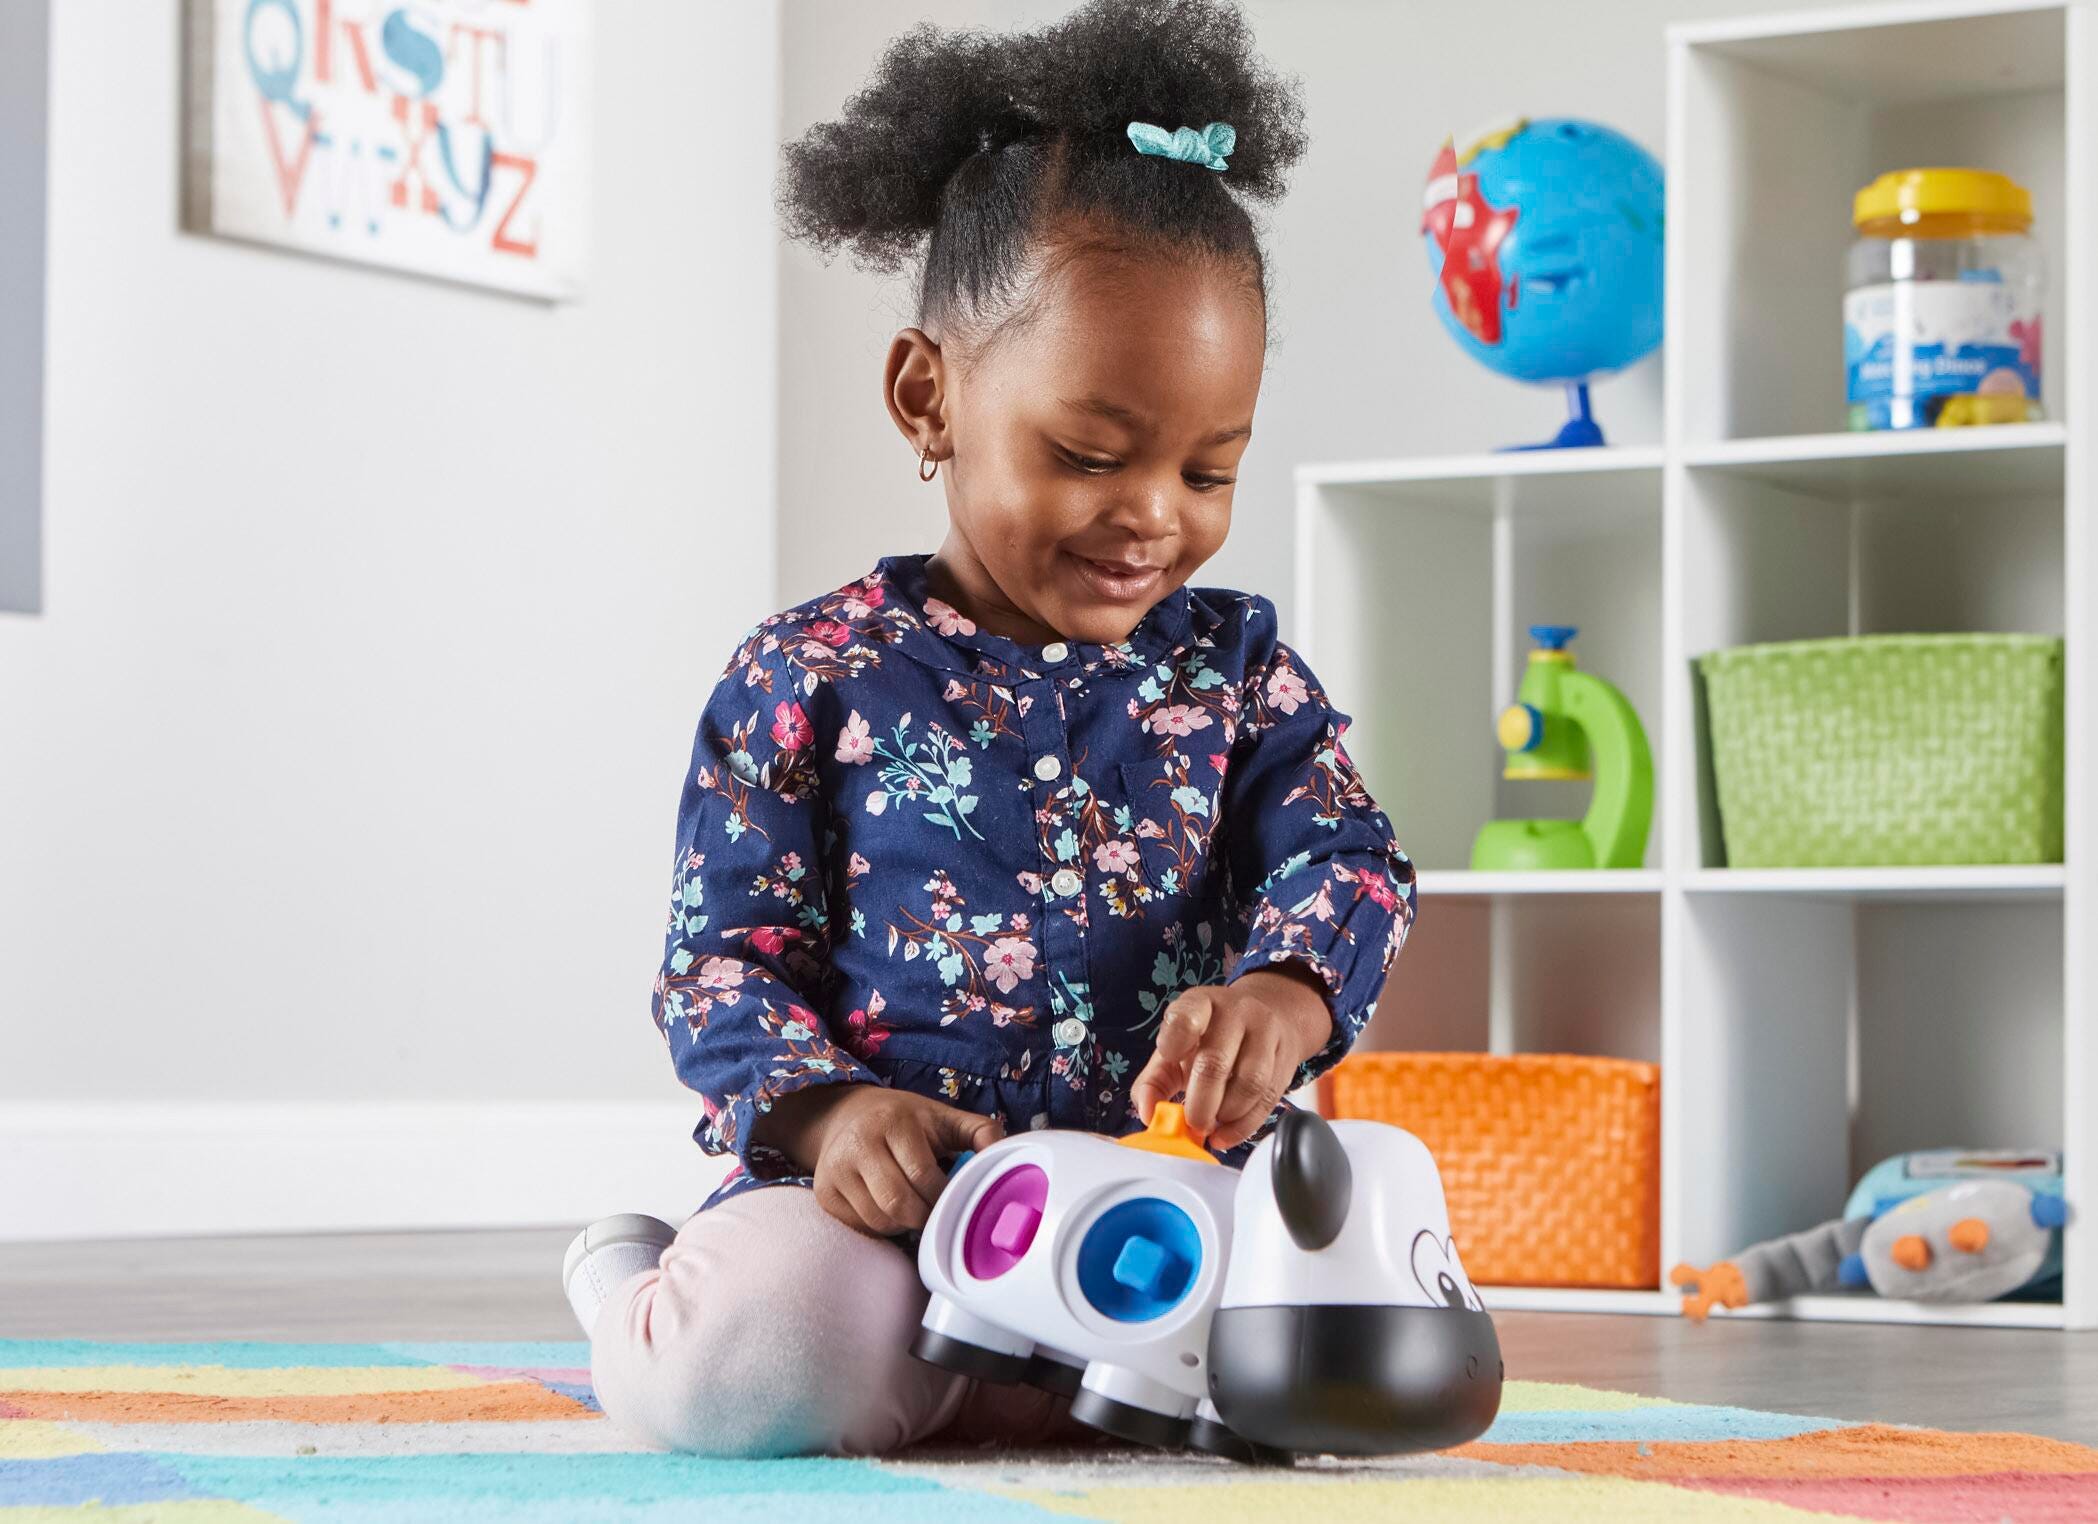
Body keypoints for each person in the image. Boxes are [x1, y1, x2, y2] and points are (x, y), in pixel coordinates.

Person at [561, 0, 1416, 1457]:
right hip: (894, 1231)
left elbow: (1347, 860)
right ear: (929, 396)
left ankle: (1012, 1384)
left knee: (1353, 1349)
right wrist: (831, 1118)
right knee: (749, 1364)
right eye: (1088, 454)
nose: (1152, 516)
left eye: (1209, 471)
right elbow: (719, 961)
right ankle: (633, 1288)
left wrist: (1284, 998)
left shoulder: (1242, 675)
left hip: (1167, 1206)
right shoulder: (809, 672)